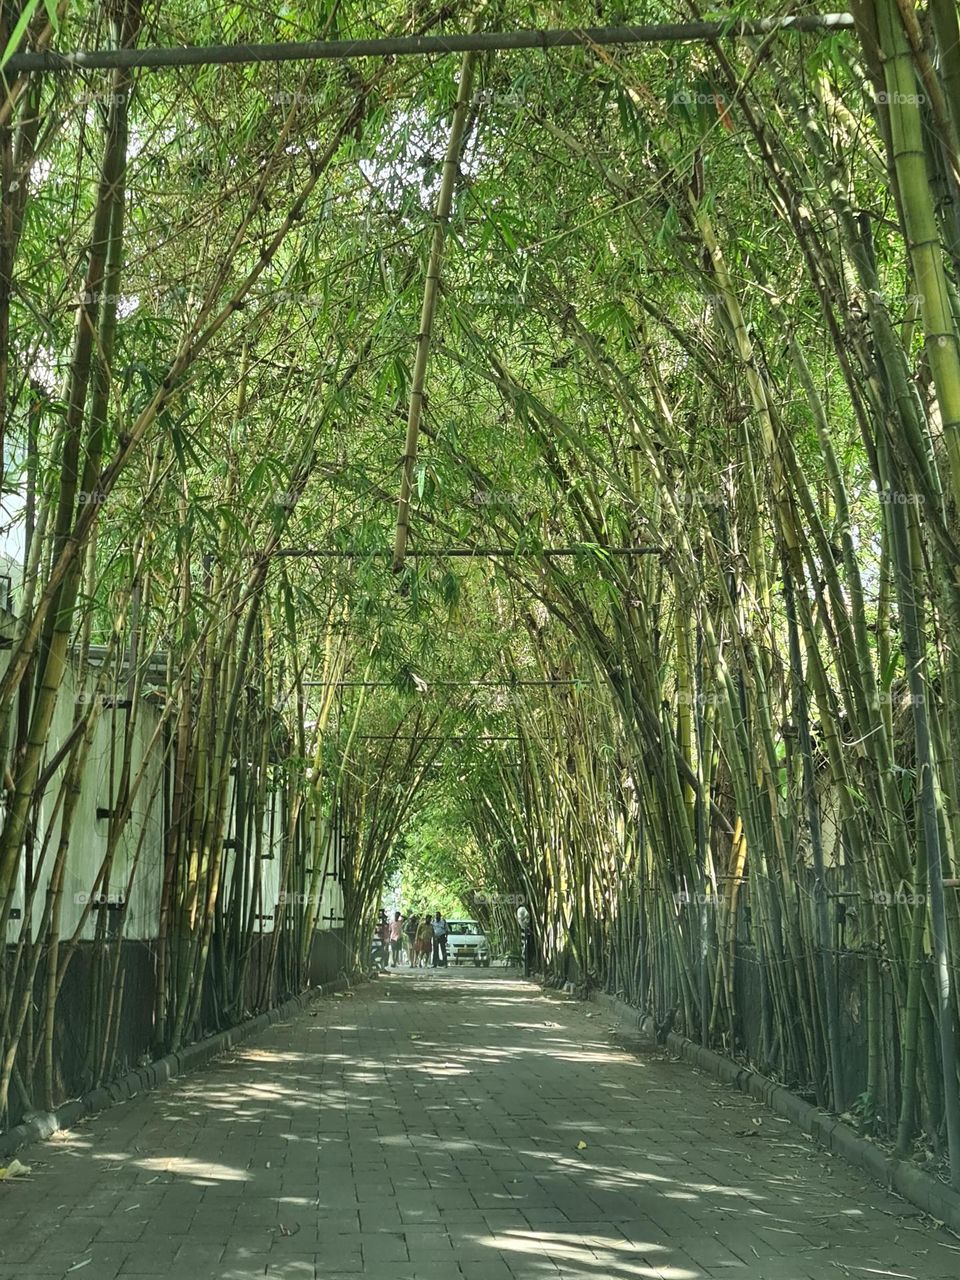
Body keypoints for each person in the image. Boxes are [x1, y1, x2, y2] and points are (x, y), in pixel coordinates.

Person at [517, 902, 532, 977]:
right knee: (524, 949)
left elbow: (523, 918)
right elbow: (522, 919)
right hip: (525, 929)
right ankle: (524, 969)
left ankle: (525, 969)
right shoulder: (522, 910)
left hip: (526, 930)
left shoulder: (521, 910)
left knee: (525, 949)